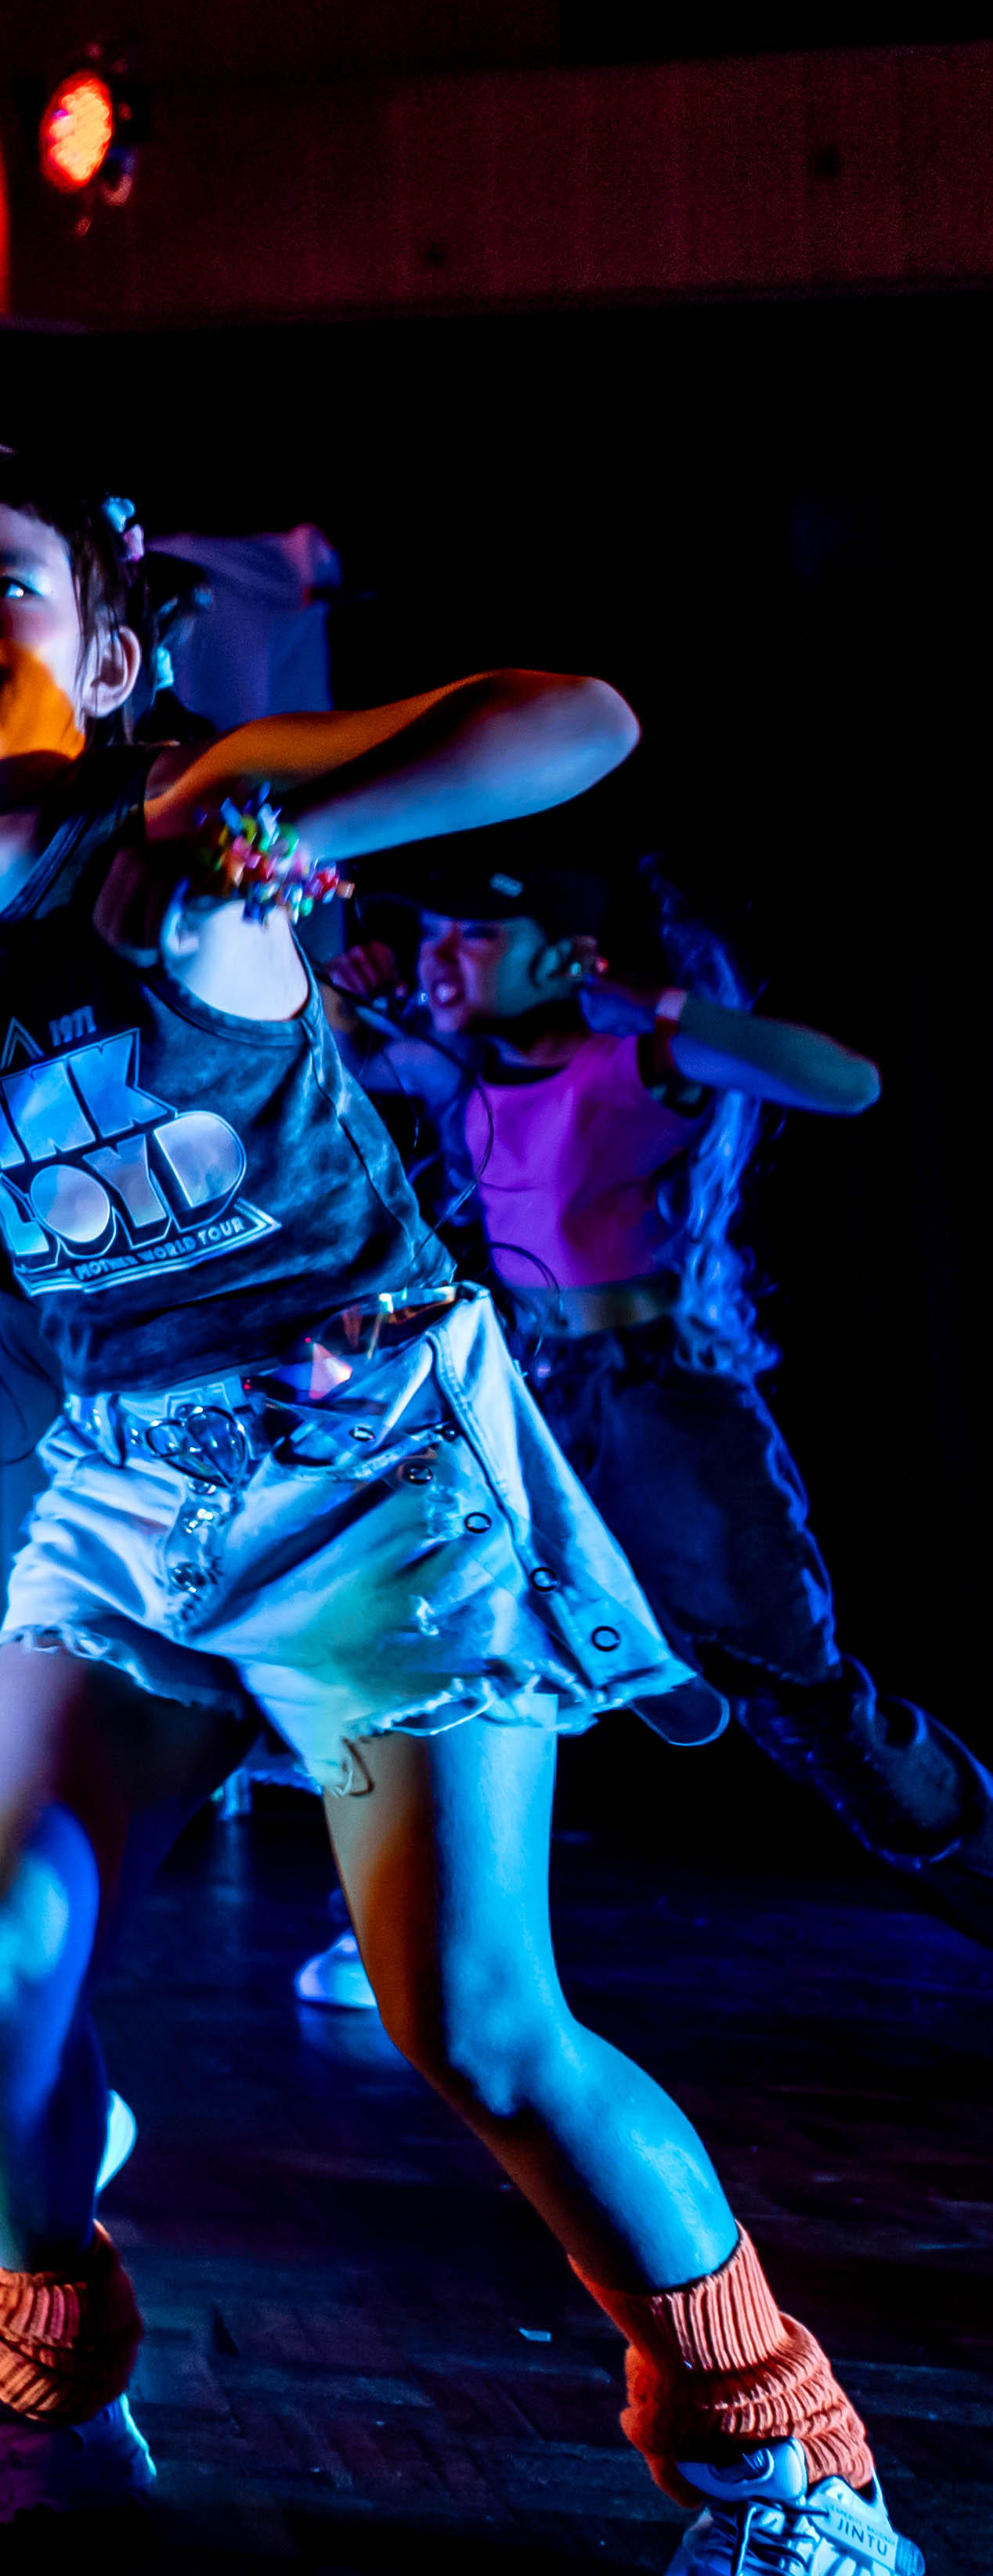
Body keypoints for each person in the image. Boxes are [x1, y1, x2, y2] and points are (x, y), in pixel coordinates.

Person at [0, 450, 923, 2576]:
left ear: (111, 655)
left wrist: (303, 822)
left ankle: (789, 2455)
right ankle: (33, 2389)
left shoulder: (179, 830)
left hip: (380, 1458)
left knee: (472, 2015)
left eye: (1, 589)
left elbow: (578, 720)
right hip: (133, 1484)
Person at [279, 852, 984, 2001]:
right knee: (453, 1639)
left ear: (565, 956)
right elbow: (324, 1062)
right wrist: (352, 999)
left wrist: (649, 1001)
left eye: (473, 935)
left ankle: (967, 1852)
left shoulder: (637, 1062)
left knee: (795, 1691)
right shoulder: (462, 1074)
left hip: (660, 1403)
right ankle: (412, 1927)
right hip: (529, 1391)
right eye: (433, 933)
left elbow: (848, 1083)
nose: (438, 953)